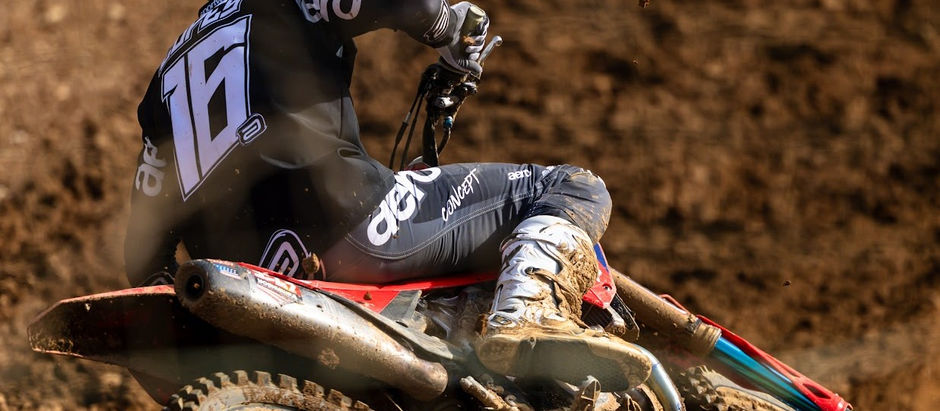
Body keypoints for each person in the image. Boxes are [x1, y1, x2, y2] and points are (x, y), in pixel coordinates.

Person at [126, 0, 651, 390]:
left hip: (247, 277)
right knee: (571, 187)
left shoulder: (169, 74)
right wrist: (453, 25)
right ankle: (527, 314)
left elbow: (142, 253)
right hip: (354, 224)